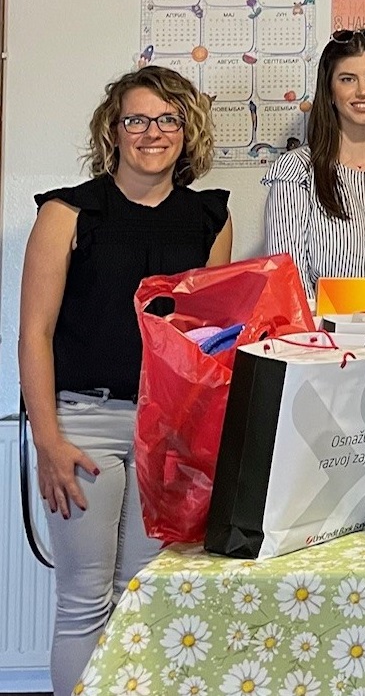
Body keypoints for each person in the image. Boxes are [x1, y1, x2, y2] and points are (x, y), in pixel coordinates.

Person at [18, 66, 233, 695]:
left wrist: (195, 443)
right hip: (82, 427)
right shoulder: (67, 213)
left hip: (165, 433)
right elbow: (34, 333)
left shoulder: (211, 219)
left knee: (143, 598)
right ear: (112, 131)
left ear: (187, 131)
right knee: (85, 600)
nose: (152, 132)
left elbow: (203, 345)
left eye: (167, 119)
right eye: (136, 119)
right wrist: (47, 441)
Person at [262, 28, 365, 296]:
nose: (363, 91)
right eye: (348, 79)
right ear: (330, 91)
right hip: (319, 322)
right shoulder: (297, 171)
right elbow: (290, 282)